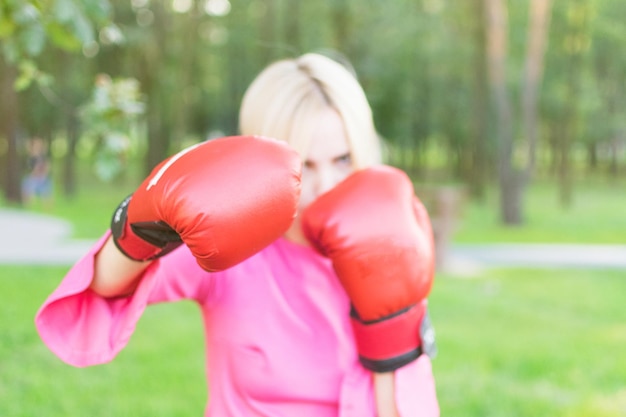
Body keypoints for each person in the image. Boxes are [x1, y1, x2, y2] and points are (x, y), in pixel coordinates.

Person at [35, 52, 439, 416]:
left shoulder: (384, 237)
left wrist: (391, 329)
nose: (326, 185)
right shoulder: (234, 250)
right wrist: (142, 229)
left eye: (343, 158)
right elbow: (97, 293)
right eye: (305, 165)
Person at [22, 137, 53, 208]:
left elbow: (47, 167)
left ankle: (47, 208)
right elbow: (32, 169)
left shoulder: (43, 157)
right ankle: (29, 206)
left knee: (47, 193)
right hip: (33, 178)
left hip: (43, 178)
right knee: (28, 188)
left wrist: (42, 173)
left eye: (38, 146)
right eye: (35, 145)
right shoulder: (31, 158)